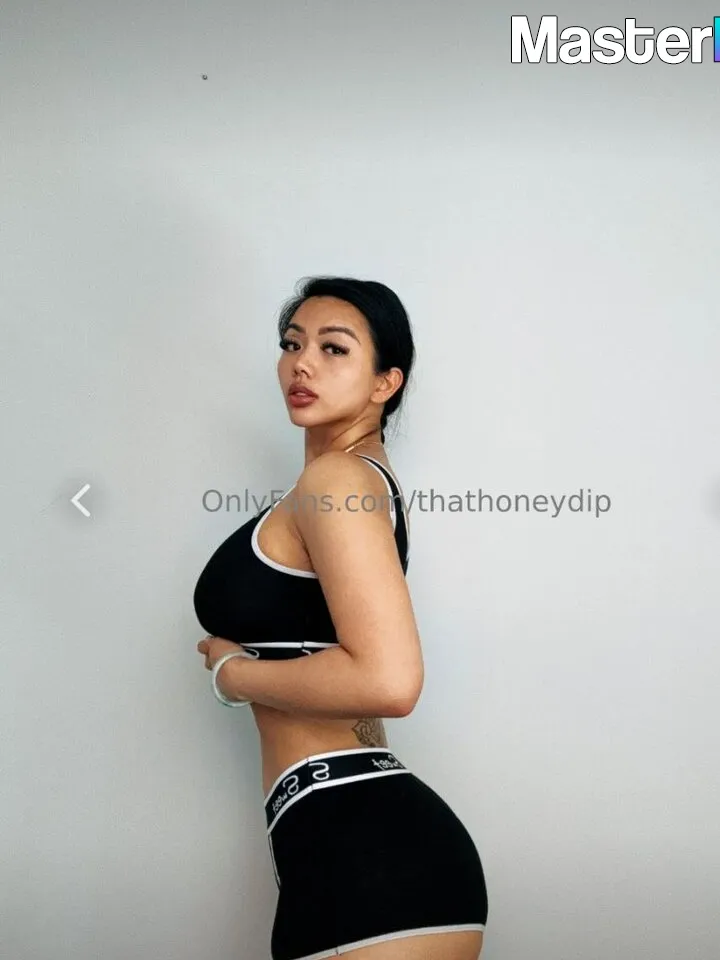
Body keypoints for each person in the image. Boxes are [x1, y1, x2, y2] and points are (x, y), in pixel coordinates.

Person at [193, 277, 488, 959]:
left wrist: (234, 676)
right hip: (334, 840)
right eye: (291, 344)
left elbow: (389, 681)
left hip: (370, 849)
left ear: (386, 382)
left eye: (333, 348)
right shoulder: (353, 480)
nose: (302, 363)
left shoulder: (338, 482)